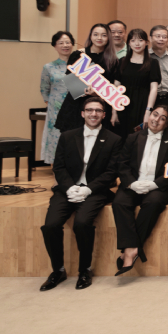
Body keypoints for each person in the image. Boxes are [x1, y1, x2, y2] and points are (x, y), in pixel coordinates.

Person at [39, 96, 122, 291]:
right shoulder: (67, 136)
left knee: (82, 223)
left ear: (104, 115)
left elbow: (111, 172)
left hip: (94, 191)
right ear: (83, 113)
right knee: (50, 226)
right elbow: (59, 167)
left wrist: (88, 189)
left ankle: (85, 269)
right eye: (90, 110)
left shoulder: (114, 140)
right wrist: (69, 187)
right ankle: (58, 270)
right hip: (67, 190)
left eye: (98, 110)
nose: (94, 114)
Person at [112, 105, 168, 275]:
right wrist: (131, 183)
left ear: (167, 124)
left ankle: (129, 250)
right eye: (155, 114)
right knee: (119, 203)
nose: (156, 120)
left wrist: (154, 184)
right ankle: (133, 248)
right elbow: (122, 164)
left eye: (162, 118)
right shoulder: (133, 137)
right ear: (149, 115)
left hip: (160, 187)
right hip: (134, 183)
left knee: (152, 203)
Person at [55, 23, 119, 133]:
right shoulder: (78, 55)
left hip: (100, 106)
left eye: (104, 35)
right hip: (76, 105)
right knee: (72, 139)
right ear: (90, 36)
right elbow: (70, 81)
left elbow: (113, 85)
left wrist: (98, 93)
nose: (99, 38)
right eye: (96, 34)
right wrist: (87, 91)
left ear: (109, 38)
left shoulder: (113, 60)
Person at [111, 29, 161, 138]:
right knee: (121, 136)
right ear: (129, 43)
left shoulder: (153, 63)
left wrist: (148, 111)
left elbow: (154, 89)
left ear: (146, 42)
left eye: (140, 40)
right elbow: (116, 87)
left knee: (140, 137)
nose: (137, 44)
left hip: (143, 105)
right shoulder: (122, 61)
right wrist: (114, 112)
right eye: (133, 40)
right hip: (122, 105)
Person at [40, 31, 74, 164]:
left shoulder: (80, 65)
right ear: (55, 46)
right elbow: (44, 89)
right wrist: (52, 104)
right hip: (56, 109)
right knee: (56, 137)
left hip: (75, 107)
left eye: (68, 42)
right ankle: (56, 170)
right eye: (61, 43)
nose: (65, 45)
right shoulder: (48, 67)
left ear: (72, 44)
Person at [149, 25, 168, 114]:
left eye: (164, 37)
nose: (161, 39)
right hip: (149, 98)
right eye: (158, 36)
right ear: (150, 38)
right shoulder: (144, 57)